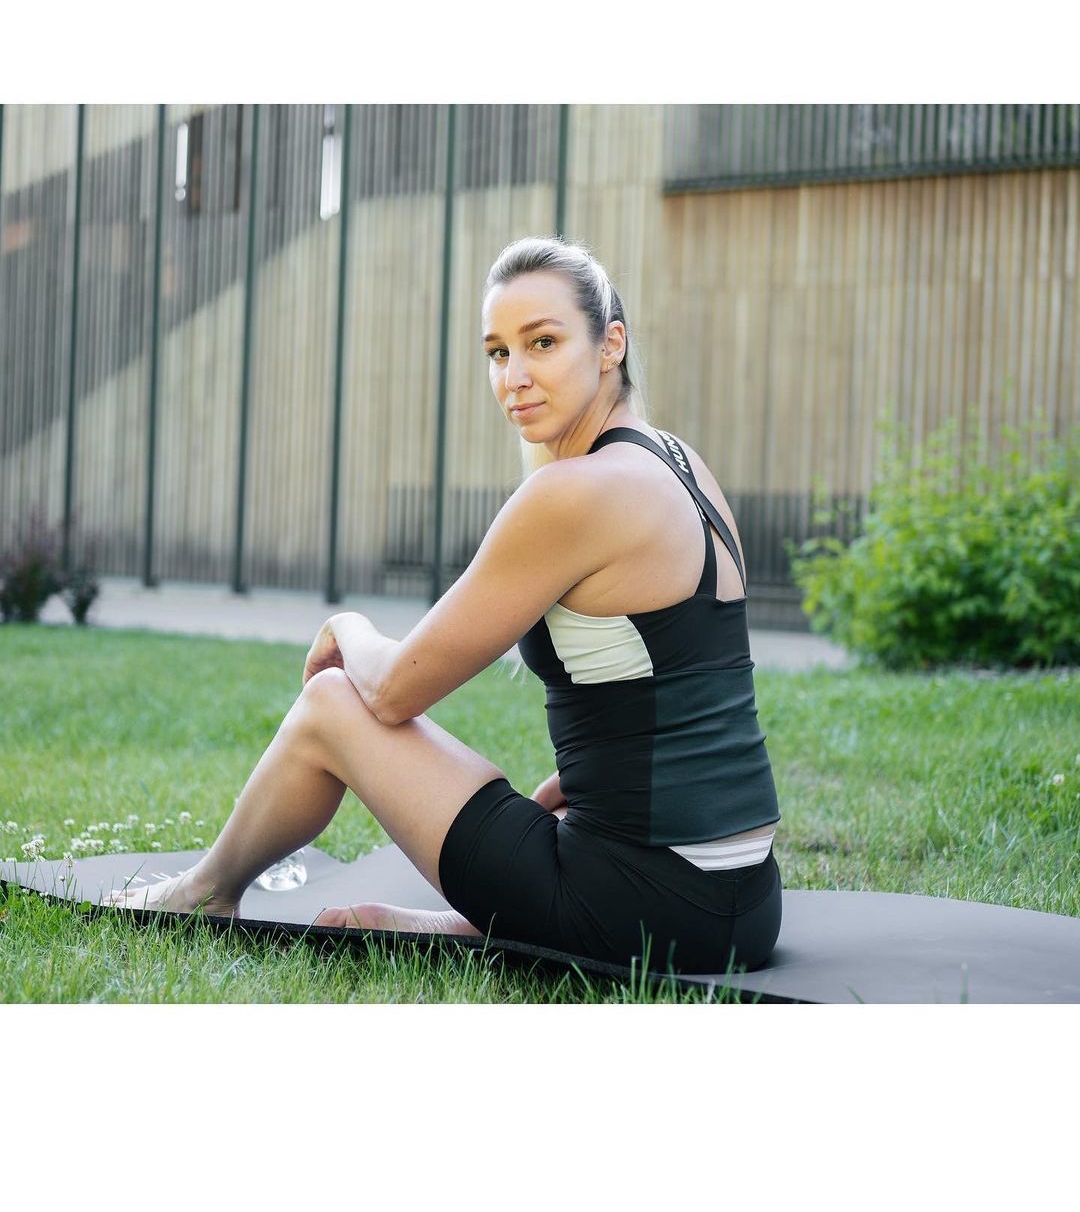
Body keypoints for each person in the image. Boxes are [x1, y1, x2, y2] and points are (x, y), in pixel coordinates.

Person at [106, 236, 782, 976]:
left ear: (610, 344)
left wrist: (346, 627)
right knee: (550, 804)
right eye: (498, 352)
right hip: (746, 904)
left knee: (333, 704)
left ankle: (202, 894)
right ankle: (469, 923)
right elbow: (684, 686)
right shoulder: (679, 463)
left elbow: (394, 690)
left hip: (645, 911)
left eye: (543, 343)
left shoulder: (575, 493)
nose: (515, 377)